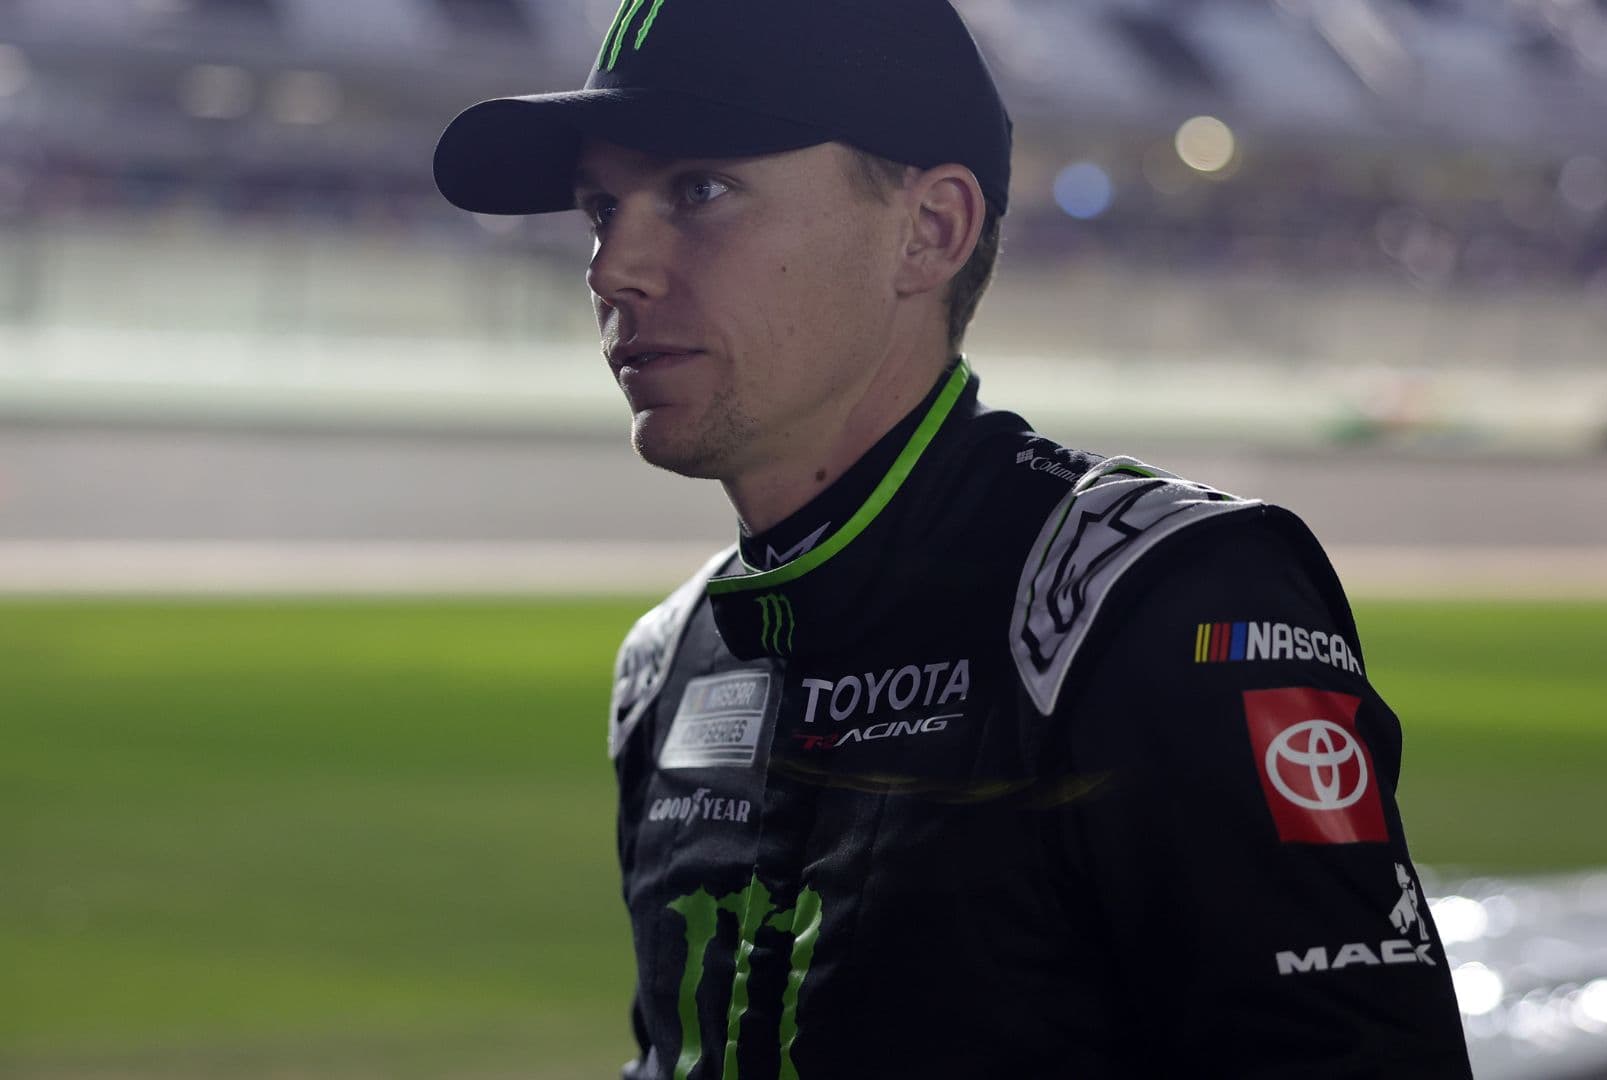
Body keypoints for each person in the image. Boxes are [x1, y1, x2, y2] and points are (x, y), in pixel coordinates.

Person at [432, 1, 1474, 1076]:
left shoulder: (1158, 601)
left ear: (929, 231)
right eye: (603, 207)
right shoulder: (669, 665)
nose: (614, 269)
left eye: (700, 190)